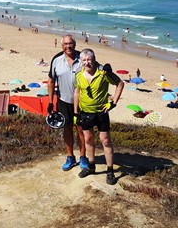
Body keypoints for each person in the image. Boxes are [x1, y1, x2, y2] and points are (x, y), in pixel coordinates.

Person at [74, 48, 124, 185]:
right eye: (84, 60)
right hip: (85, 113)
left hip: (101, 113)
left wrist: (112, 103)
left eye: (89, 59)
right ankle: (91, 166)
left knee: (106, 141)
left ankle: (110, 171)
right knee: (88, 139)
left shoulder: (104, 73)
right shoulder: (78, 75)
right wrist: (75, 113)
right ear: (81, 61)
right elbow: (77, 93)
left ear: (94, 59)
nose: (87, 63)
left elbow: (120, 84)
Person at [47, 35, 87, 171]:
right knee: (67, 129)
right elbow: (51, 81)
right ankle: (70, 157)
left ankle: (83, 157)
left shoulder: (83, 59)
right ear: (62, 46)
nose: (68, 46)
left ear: (75, 44)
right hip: (63, 101)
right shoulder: (56, 60)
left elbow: (96, 71)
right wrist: (50, 102)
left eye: (70, 43)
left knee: (81, 130)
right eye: (65, 44)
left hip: (82, 102)